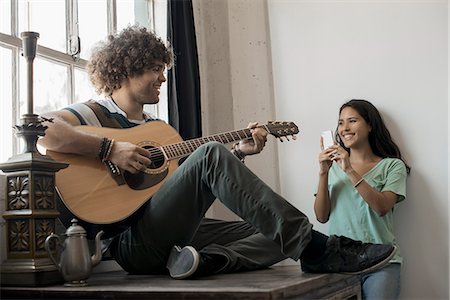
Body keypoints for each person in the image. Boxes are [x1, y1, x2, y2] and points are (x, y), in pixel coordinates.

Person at [39, 25, 395, 280]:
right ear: (128, 68)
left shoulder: (157, 130)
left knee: (273, 236)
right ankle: (317, 249)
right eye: (155, 69)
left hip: (169, 234)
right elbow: (43, 131)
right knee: (212, 155)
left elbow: (180, 189)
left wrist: (238, 154)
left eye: (164, 70)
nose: (163, 78)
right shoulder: (94, 114)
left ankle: (205, 261)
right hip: (129, 243)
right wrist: (109, 147)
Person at [314, 99, 409, 299]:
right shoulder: (332, 169)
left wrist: (349, 170)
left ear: (370, 125)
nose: (344, 128)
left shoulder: (392, 166)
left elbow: (382, 207)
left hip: (381, 263)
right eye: (341, 122)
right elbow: (321, 217)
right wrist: (323, 173)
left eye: (352, 121)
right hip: (340, 263)